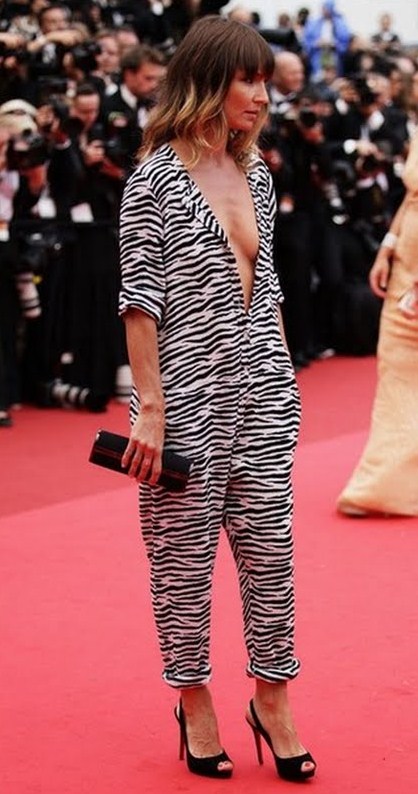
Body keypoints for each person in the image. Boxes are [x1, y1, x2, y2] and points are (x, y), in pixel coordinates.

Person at [118, 14, 316, 783]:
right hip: (186, 400)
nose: (262, 96)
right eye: (248, 80)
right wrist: (151, 408)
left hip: (262, 390)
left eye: (266, 81)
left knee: (271, 556)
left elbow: (267, 289)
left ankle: (273, 699)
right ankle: (194, 701)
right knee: (183, 566)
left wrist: (285, 379)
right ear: (207, 81)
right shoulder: (154, 180)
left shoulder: (256, 174)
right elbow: (140, 302)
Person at [337, 132, 418, 518]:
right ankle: (382, 484)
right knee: (393, 374)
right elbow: (411, 196)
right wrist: (386, 248)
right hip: (405, 266)